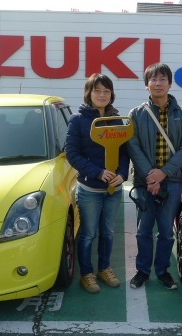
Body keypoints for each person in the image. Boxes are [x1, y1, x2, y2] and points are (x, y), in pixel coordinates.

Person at [126, 62, 182, 290]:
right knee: (143, 231)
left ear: (170, 84)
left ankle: (163, 271)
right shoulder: (136, 114)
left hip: (172, 181)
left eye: (162, 79)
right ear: (146, 85)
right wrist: (151, 176)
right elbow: (133, 146)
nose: (158, 83)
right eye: (153, 79)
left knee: (166, 232)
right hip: (145, 182)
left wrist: (163, 173)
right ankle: (142, 271)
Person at [65, 73, 130, 294]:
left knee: (108, 232)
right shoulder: (77, 120)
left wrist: (123, 174)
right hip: (90, 189)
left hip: (114, 189)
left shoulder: (116, 120)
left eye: (106, 91)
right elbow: (72, 153)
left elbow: (124, 152)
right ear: (89, 93)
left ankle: (104, 268)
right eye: (97, 91)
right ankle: (86, 273)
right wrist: (97, 172)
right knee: (88, 234)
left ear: (111, 94)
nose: (102, 95)